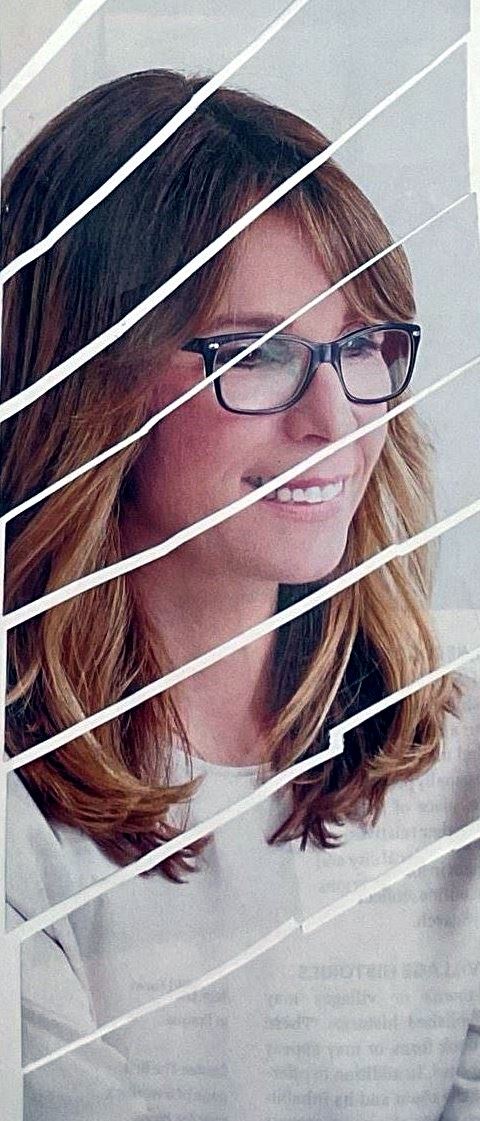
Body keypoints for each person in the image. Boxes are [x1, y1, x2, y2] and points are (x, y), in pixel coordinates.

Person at [1, 70, 478, 1121]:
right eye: (259, 353)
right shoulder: (18, 805)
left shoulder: (459, 750)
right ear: (85, 382)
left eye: (361, 345)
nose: (334, 420)